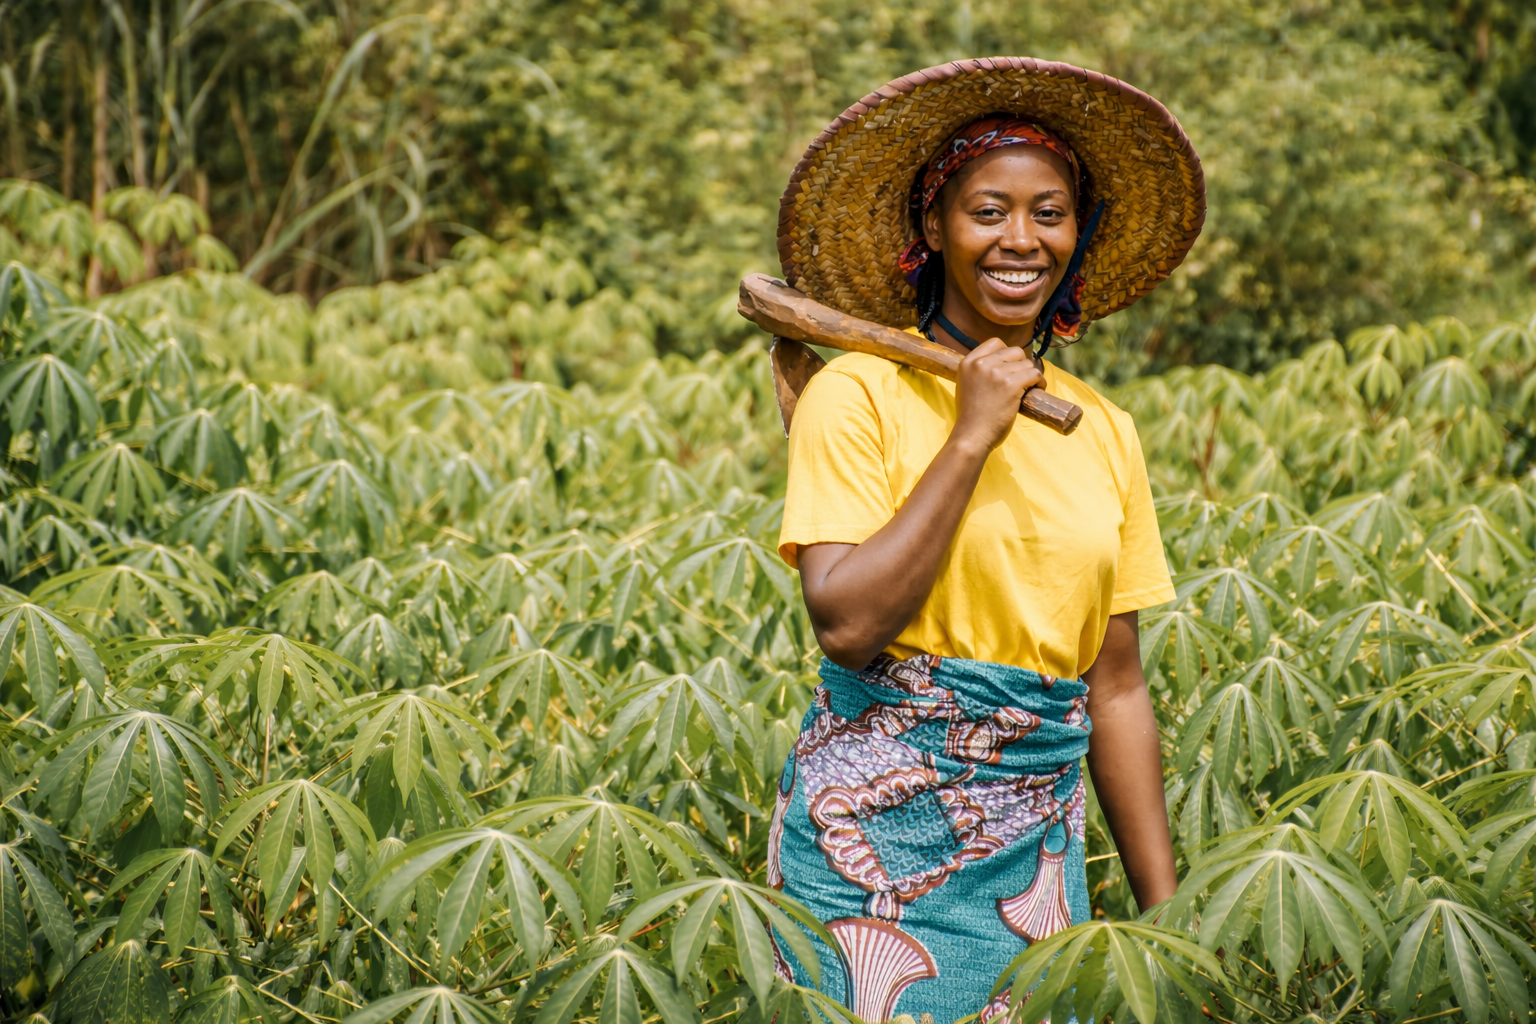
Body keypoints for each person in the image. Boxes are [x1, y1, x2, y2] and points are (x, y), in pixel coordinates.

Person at [763, 58, 1206, 1023]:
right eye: (987, 210)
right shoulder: (860, 394)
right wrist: (972, 433)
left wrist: (1165, 913)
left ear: (1076, 235)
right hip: (867, 849)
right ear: (935, 228)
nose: (1021, 240)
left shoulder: (1101, 427)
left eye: (1048, 213)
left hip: (1036, 859)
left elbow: (1116, 682)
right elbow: (845, 623)